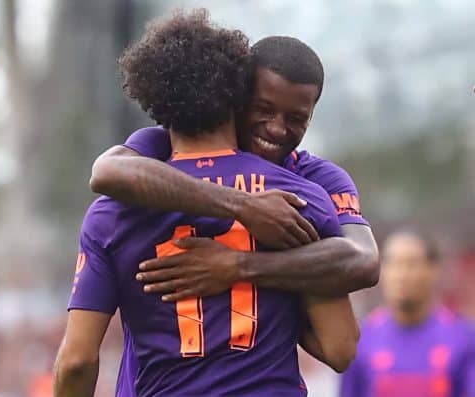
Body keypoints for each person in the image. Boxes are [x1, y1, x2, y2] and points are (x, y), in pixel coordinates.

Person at [54, 9, 358, 397]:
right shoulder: (298, 199)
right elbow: (341, 347)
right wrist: (273, 299)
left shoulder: (110, 215)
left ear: (157, 105)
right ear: (237, 95)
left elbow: (78, 360)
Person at [90, 36, 379, 303]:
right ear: (237, 98)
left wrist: (239, 266)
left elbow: (364, 261)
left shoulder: (320, 178)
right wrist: (244, 206)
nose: (277, 128)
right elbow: (107, 172)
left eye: (296, 118)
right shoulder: (170, 142)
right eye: (263, 109)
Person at [340, 230, 475, 397]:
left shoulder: (463, 338)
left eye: (411, 264)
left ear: (434, 271)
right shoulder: (360, 338)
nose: (401, 275)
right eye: (393, 264)